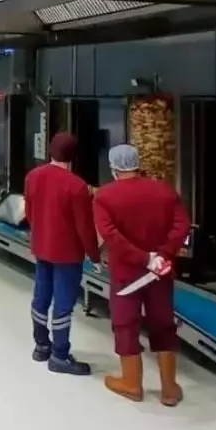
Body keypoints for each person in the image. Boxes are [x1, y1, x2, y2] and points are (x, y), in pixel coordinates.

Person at [93, 144, 192, 405]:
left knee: (125, 323)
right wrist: (162, 254)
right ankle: (169, 389)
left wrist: (143, 258)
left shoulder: (104, 196)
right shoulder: (165, 191)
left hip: (126, 273)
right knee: (163, 323)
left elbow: (111, 236)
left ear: (114, 168)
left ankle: (131, 383)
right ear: (138, 164)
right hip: (160, 271)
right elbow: (182, 225)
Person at [24, 132, 99, 376]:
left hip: (41, 247)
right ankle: (60, 355)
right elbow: (84, 227)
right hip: (67, 254)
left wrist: (40, 234)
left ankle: (41, 346)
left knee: (41, 296)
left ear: (50, 151)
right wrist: (95, 256)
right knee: (63, 304)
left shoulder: (33, 176)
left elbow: (30, 212)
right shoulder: (77, 186)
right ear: (73, 156)